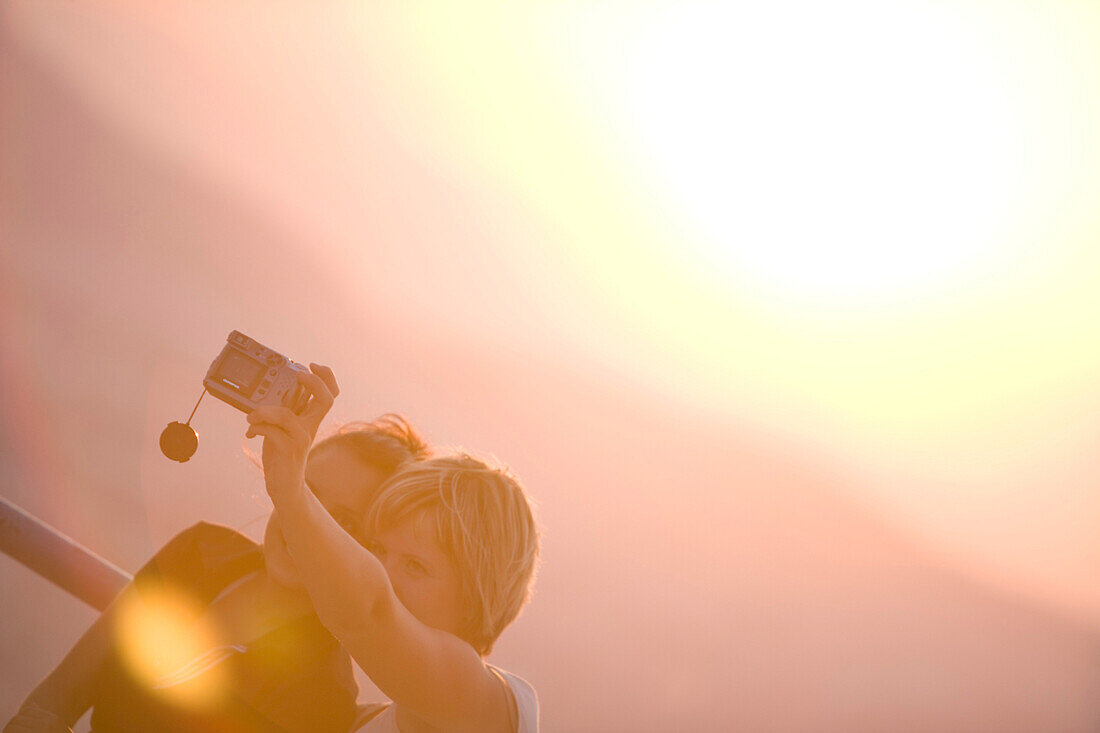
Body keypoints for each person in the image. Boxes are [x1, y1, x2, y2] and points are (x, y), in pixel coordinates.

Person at [4, 365, 430, 733]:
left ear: (370, 556)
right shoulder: (200, 551)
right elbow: (61, 693)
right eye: (305, 494)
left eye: (342, 524)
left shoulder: (321, 692)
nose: (304, 523)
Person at [244, 367, 541, 732]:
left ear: (477, 596)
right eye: (377, 550)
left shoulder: (481, 704)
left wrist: (292, 491)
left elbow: (368, 612)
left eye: (415, 565)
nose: (382, 573)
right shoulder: (361, 718)